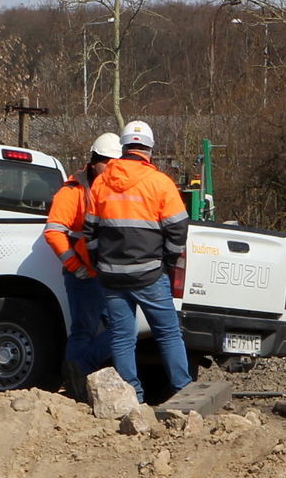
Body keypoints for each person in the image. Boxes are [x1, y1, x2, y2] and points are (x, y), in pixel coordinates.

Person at [83, 121, 191, 403]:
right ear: (150, 150)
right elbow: (179, 228)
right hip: (150, 274)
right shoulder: (160, 183)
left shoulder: (102, 182)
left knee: (122, 337)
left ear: (124, 147)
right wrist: (167, 260)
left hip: (112, 276)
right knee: (168, 334)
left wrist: (99, 262)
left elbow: (89, 231)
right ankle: (183, 391)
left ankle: (134, 398)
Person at [43, 132, 121, 399]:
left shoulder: (112, 189)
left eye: (115, 164)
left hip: (108, 274)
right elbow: (54, 231)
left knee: (119, 328)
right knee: (85, 330)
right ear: (94, 161)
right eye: (107, 163)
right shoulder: (73, 190)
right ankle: (77, 380)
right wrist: (75, 266)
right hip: (85, 275)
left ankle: (79, 372)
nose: (111, 169)